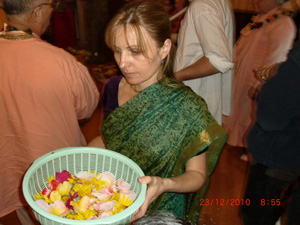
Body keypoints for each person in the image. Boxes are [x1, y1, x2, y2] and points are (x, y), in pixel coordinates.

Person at [88, 1, 227, 224]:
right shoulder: (113, 87)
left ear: (164, 49)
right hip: (112, 200)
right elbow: (108, 140)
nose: (123, 63)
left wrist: (164, 183)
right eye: (117, 50)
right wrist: (79, 160)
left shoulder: (187, 107)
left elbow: (197, 176)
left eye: (135, 51)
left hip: (159, 208)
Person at [0, 0, 99, 221]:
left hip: (10, 169)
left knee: (27, 215)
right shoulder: (63, 62)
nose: (52, 11)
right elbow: (86, 108)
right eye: (50, 6)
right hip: (57, 174)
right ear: (36, 13)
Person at [241, 0, 300, 223]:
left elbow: (270, 116)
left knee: (257, 212)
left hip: (280, 151)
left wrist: (266, 89)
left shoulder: (285, 28)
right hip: (291, 147)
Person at [222, 0, 296, 149]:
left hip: (255, 82)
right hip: (241, 78)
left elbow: (275, 59)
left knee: (248, 123)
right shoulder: (260, 19)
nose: (255, 1)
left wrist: (259, 85)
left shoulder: (283, 23)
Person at [174, 0, 234, 125]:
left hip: (195, 97)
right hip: (202, 96)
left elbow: (219, 61)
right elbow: (198, 40)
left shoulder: (202, 6)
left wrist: (173, 77)